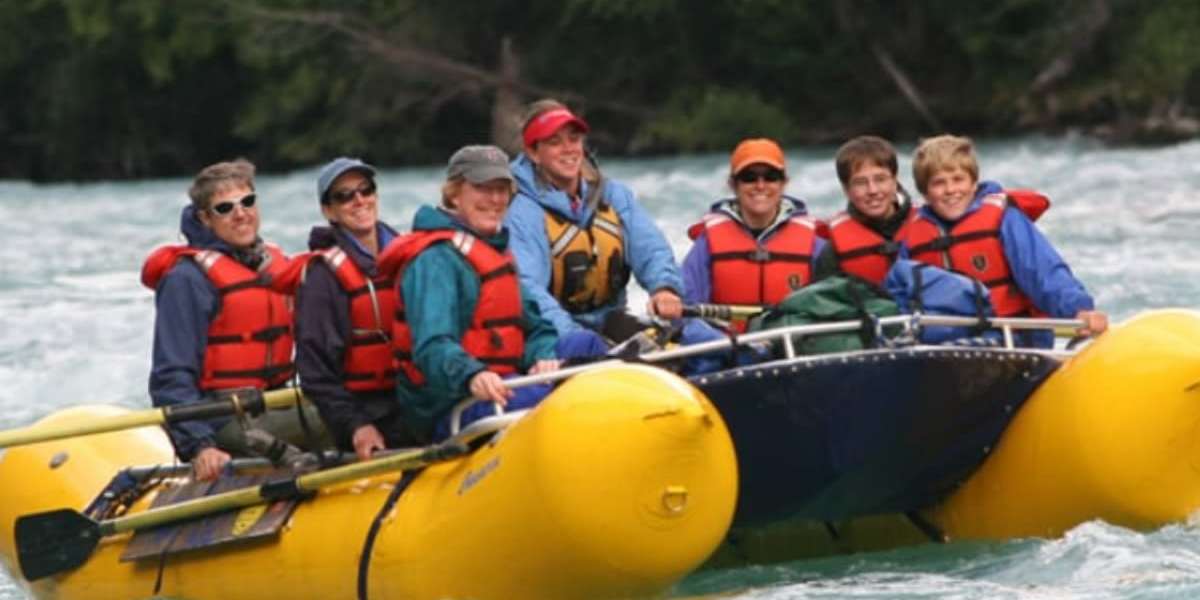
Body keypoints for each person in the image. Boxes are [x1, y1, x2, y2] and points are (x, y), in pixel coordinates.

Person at [379, 145, 585, 442]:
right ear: (454, 193)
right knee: (551, 398)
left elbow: (536, 326)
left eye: (502, 189)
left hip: (505, 378)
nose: (495, 199)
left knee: (586, 344)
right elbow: (432, 346)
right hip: (448, 402)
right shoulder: (435, 260)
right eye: (483, 189)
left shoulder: (494, 250)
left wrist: (542, 355)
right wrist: (472, 375)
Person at [142, 159, 326, 481]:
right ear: (205, 219)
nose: (241, 214)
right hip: (221, 419)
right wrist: (200, 445)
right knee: (331, 419)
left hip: (274, 403)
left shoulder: (272, 263)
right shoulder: (187, 280)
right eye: (225, 208)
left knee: (353, 406)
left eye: (248, 202)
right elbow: (171, 374)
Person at [897, 135, 1108, 347]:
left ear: (973, 184)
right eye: (939, 183)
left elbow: (1042, 272)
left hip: (1013, 336)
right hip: (946, 341)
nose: (951, 190)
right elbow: (898, 291)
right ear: (925, 192)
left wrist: (1079, 309)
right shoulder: (912, 233)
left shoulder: (1003, 219)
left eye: (958, 179)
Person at [503, 99, 684, 342]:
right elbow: (527, 287)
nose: (568, 149)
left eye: (574, 139)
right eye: (554, 142)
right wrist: (574, 336)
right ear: (534, 153)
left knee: (689, 334)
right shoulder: (520, 211)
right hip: (553, 333)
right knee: (588, 346)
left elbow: (650, 247)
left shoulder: (613, 194)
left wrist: (664, 288)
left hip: (610, 320)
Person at [285, 157, 416, 461]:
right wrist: (356, 425)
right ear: (328, 211)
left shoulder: (409, 254)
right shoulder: (322, 277)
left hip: (417, 400)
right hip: (369, 411)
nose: (359, 200)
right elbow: (316, 372)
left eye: (365, 190)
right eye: (344, 196)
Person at [682, 138, 826, 327]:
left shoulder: (815, 245)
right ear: (733, 185)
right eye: (749, 177)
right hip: (725, 350)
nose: (760, 185)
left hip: (795, 348)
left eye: (771, 176)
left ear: (784, 183)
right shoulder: (707, 244)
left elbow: (832, 306)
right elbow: (686, 311)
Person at [813, 135, 916, 285]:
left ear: (894, 181)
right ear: (846, 190)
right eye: (860, 183)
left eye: (880, 179)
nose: (872, 190)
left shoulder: (927, 224)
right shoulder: (832, 250)